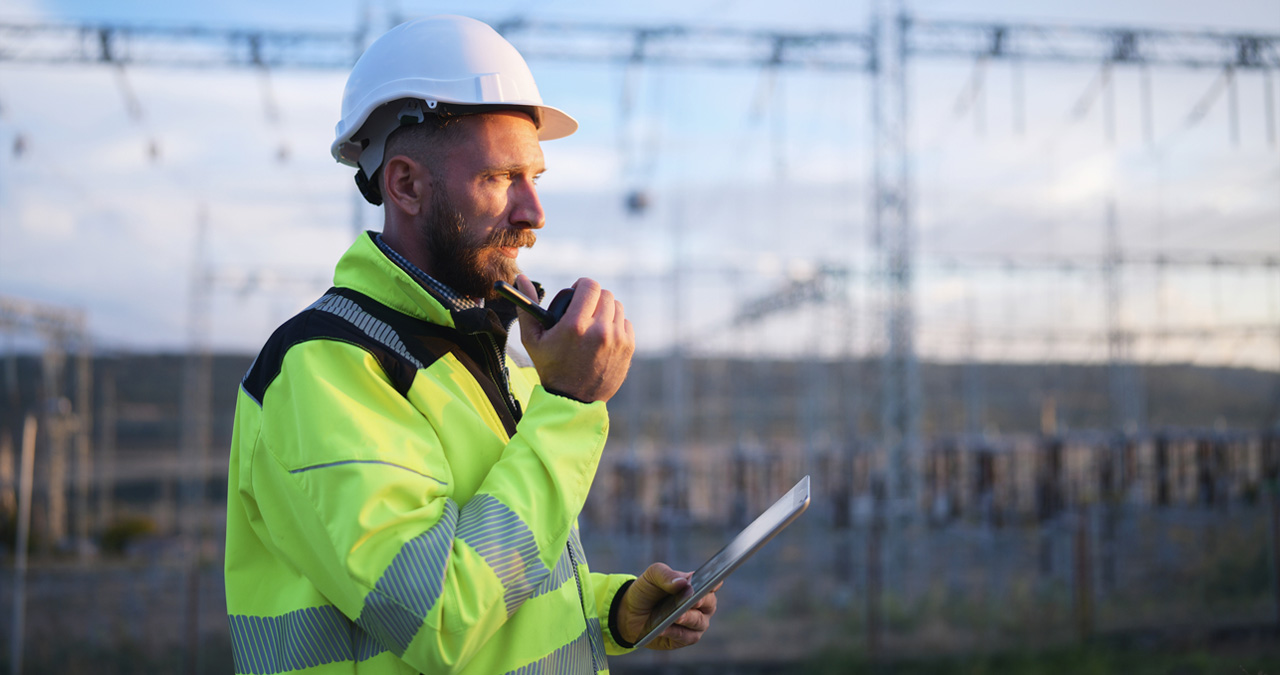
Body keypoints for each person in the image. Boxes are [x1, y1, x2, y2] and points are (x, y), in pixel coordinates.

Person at [223, 15, 719, 675]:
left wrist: (613, 609)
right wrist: (568, 403)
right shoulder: (323, 371)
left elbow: (501, 570)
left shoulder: (487, 363)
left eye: (535, 176)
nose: (534, 211)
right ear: (405, 185)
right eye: (501, 177)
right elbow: (438, 616)